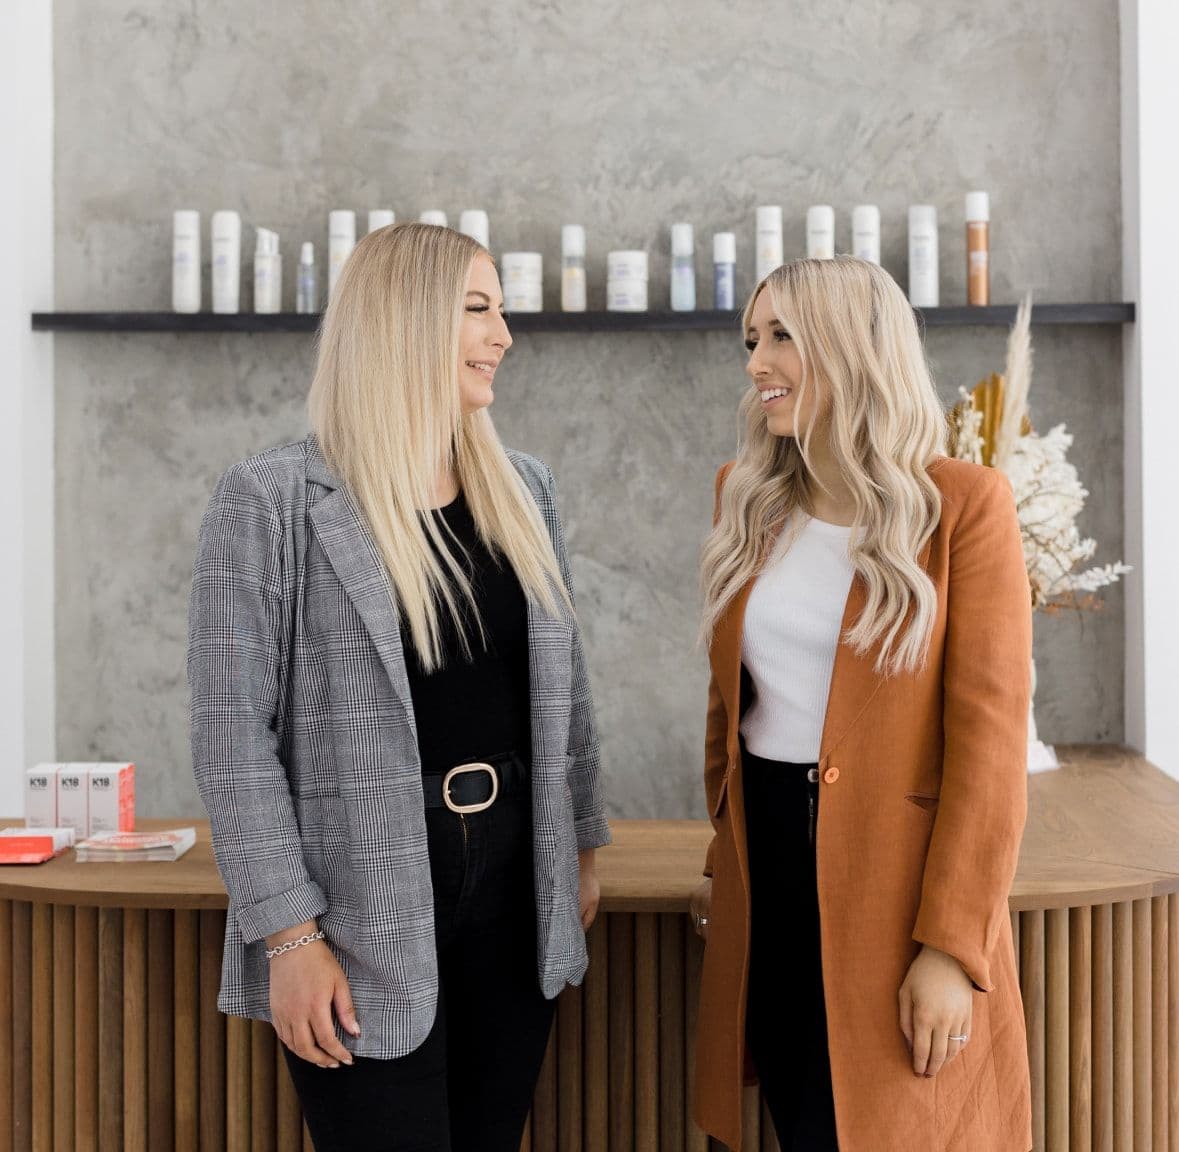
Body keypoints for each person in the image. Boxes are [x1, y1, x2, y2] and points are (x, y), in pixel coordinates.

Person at [188, 222, 610, 1152]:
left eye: (500, 310)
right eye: (476, 309)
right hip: (353, 899)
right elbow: (230, 737)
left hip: (516, 881)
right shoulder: (269, 502)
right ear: (401, 322)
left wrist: (577, 849)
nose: (502, 334)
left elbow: (562, 690)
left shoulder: (523, 487)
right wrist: (290, 940)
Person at [689, 255, 1033, 1151]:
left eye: (781, 337)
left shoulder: (961, 507)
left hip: (896, 888)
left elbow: (989, 748)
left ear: (852, 347)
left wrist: (951, 948)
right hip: (767, 874)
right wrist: (725, 852)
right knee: (798, 1121)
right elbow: (727, 706)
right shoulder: (745, 494)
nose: (756, 361)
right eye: (751, 340)